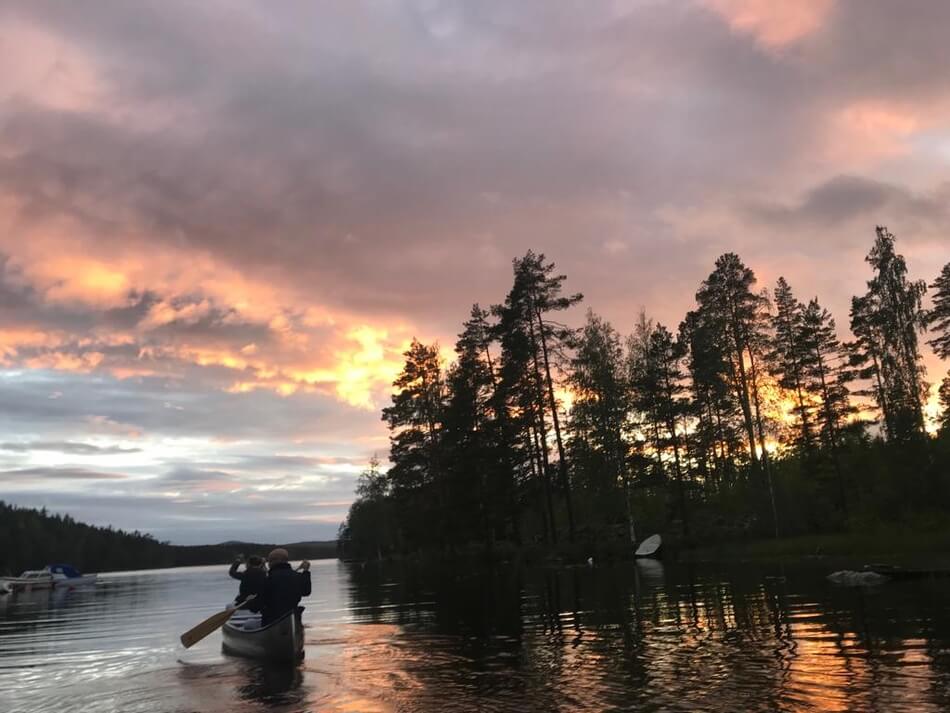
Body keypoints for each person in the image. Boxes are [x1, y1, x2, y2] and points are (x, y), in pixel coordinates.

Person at [259, 548, 311, 626]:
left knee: (248, 624)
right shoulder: (298, 576)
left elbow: (257, 605)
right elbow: (306, 592)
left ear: (273, 562)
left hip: (271, 620)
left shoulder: (267, 579)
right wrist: (306, 571)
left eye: (269, 561)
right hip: (293, 617)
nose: (268, 564)